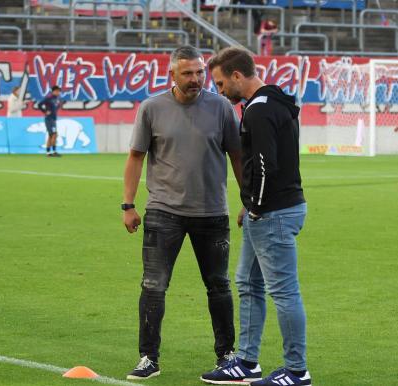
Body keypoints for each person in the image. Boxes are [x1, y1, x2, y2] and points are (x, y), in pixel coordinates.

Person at [122, 45, 243, 381]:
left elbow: (237, 155)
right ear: (171, 74)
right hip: (164, 212)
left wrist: (248, 200)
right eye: (188, 73)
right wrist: (128, 204)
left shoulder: (221, 108)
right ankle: (148, 358)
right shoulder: (152, 108)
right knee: (153, 286)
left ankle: (227, 355)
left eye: (200, 72)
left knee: (219, 286)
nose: (196, 79)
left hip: (212, 212)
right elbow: (135, 157)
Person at [202, 47, 310, 386]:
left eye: (220, 84)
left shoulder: (258, 111)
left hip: (272, 212)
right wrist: (250, 205)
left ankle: (296, 371)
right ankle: (247, 362)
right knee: (248, 283)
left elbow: (264, 165)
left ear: (237, 76)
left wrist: (257, 207)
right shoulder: (275, 102)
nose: (219, 91)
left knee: (284, 291)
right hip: (270, 208)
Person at [38, 85, 61, 157]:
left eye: (59, 91)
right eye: (57, 91)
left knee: (52, 135)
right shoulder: (48, 98)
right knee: (53, 134)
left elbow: (56, 107)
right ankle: (51, 152)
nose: (58, 92)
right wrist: (45, 111)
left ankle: (50, 152)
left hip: (53, 119)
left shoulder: (57, 99)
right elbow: (39, 104)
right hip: (49, 119)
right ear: (53, 91)